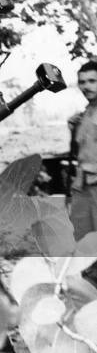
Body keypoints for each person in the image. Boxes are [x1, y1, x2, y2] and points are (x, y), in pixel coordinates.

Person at [69, 61, 97, 240]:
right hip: (82, 185)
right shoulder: (85, 113)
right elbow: (78, 152)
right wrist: (72, 129)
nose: (86, 86)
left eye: (92, 81)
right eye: (82, 82)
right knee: (83, 243)